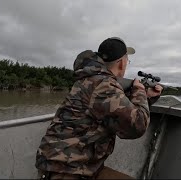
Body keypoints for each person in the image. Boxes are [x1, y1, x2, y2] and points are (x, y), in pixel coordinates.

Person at [35, 37, 163, 179]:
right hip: (65, 171)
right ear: (121, 63)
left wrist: (147, 97)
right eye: (127, 60)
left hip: (79, 166)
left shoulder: (93, 80)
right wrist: (139, 90)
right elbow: (137, 125)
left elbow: (122, 112)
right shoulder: (103, 85)